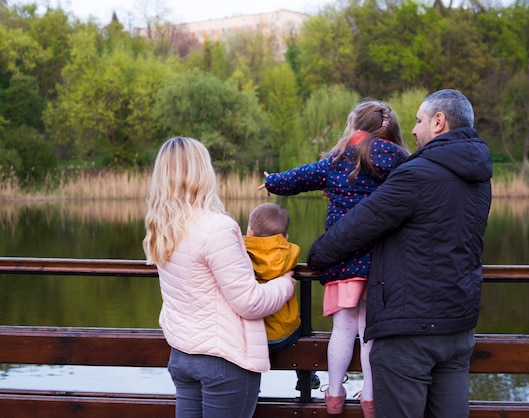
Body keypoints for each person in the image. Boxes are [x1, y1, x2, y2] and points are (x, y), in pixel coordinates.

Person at [307, 89, 493, 418]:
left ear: (439, 122)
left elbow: (357, 226)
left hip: (410, 332)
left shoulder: (416, 175)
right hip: (458, 327)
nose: (412, 130)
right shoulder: (479, 178)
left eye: (419, 121)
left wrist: (317, 257)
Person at [259, 99, 410, 416]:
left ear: (355, 126)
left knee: (342, 329)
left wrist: (273, 181)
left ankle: (335, 395)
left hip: (343, 258)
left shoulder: (339, 158)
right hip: (381, 260)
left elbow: (301, 177)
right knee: (371, 333)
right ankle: (370, 399)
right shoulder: (400, 160)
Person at [142, 137, 296, 418]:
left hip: (183, 355)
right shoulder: (217, 228)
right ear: (203, 173)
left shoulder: (161, 227)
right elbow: (249, 302)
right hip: (224, 361)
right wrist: (285, 283)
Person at [243, 202, 321, 392]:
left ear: (250, 231)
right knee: (304, 323)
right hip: (285, 333)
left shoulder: (241, 252)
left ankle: (253, 386)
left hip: (251, 337)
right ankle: (307, 376)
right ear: (284, 237)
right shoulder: (289, 254)